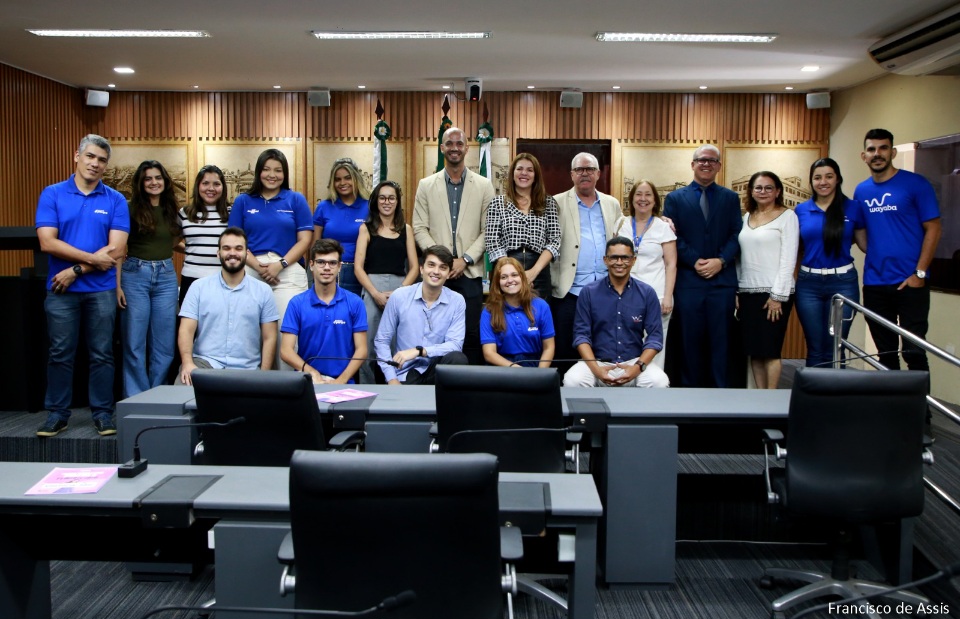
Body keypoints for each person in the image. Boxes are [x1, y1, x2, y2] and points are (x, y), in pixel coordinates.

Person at [34, 134, 129, 437]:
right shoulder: (52, 194)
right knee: (60, 353)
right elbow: (47, 242)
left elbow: (117, 249)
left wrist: (76, 269)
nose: (95, 163)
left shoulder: (115, 200)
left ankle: (102, 414)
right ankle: (57, 414)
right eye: (90, 156)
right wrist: (91, 259)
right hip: (61, 291)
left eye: (101, 160)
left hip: (101, 290)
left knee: (102, 353)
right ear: (77, 156)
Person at [853, 128, 942, 372]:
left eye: (883, 148)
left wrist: (919, 273)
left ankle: (919, 400)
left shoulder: (916, 184)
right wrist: (876, 252)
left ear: (892, 152)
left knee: (914, 352)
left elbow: (934, 228)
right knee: (886, 354)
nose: (877, 154)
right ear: (864, 156)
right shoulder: (861, 191)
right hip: (875, 284)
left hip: (910, 282)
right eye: (871, 149)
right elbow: (861, 231)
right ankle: (890, 399)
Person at [413, 127, 495, 365]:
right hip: (436, 274)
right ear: (442, 148)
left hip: (469, 273)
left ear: (467, 148)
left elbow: (489, 229)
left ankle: (469, 383)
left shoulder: (484, 186)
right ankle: (431, 380)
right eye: (449, 143)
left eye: (459, 143)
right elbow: (419, 228)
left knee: (471, 335)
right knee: (432, 333)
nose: (454, 148)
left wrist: (466, 259)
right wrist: (444, 263)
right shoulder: (426, 185)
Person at [663, 144, 742, 388]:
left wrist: (721, 261)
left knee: (721, 342)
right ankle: (690, 393)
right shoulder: (675, 198)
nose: (706, 164)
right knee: (689, 342)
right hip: (689, 282)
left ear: (719, 166)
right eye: (701, 160)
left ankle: (721, 394)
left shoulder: (730, 198)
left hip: (722, 283)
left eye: (712, 160)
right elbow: (672, 236)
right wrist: (694, 260)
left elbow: (736, 234)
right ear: (693, 164)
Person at [227, 148, 312, 369]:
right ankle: (253, 384)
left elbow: (305, 240)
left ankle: (287, 384)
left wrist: (280, 265)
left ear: (285, 173)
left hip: (287, 270)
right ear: (258, 172)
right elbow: (234, 241)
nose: (272, 175)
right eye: (266, 169)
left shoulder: (295, 199)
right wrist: (259, 266)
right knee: (248, 333)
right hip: (251, 268)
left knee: (287, 335)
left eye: (278, 170)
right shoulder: (243, 201)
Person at [563, 237, 670, 388]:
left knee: (658, 381)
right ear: (605, 260)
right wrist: (597, 370)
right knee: (573, 380)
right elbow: (581, 336)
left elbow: (655, 338)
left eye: (625, 258)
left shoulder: (647, 293)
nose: (619, 262)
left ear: (633, 260)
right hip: (597, 362)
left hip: (634, 361)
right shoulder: (589, 292)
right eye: (614, 257)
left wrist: (637, 367)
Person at [177, 227, 279, 385]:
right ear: (218, 253)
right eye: (226, 248)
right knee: (179, 391)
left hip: (247, 370)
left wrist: (263, 375)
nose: (232, 253)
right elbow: (186, 330)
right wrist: (187, 363)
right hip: (204, 365)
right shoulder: (198, 287)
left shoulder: (263, 291)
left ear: (247, 254)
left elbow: (269, 337)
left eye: (238, 248)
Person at [551, 152, 622, 373]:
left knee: (604, 347)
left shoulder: (612, 204)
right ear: (572, 174)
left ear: (598, 174)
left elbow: (625, 234)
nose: (585, 173)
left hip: (606, 290)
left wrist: (660, 219)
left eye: (590, 169)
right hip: (569, 291)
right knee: (566, 350)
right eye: (579, 169)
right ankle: (566, 390)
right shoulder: (556, 202)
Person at [117, 160, 181, 398]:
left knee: (164, 343)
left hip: (166, 276)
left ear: (165, 181)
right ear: (140, 183)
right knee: (134, 342)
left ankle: (157, 395)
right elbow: (118, 250)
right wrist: (117, 286)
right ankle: (137, 398)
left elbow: (171, 241)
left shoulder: (172, 210)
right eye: (148, 179)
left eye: (158, 178)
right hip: (135, 275)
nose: (154, 182)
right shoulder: (129, 209)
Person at [794, 158, 866, 368]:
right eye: (817, 177)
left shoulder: (853, 208)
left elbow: (866, 245)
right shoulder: (801, 210)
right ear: (811, 181)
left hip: (843, 283)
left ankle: (836, 389)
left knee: (836, 346)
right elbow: (796, 249)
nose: (823, 182)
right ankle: (815, 390)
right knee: (815, 347)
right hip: (809, 284)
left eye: (829, 176)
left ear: (838, 179)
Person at [736, 171, 799, 389]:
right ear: (751, 191)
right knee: (754, 352)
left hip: (774, 294)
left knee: (770, 351)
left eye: (768, 188)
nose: (763, 192)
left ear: (777, 191)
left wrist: (777, 296)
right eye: (758, 187)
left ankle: (771, 399)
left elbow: (788, 259)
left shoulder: (787, 217)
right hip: (748, 293)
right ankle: (760, 398)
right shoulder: (746, 217)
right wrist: (738, 290)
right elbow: (740, 258)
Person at [375, 245, 468, 385]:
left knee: (458, 359)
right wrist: (391, 379)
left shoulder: (457, 301)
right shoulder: (400, 296)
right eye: (431, 265)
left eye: (443, 267)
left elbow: (455, 344)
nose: (436, 271)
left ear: (449, 273)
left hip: (437, 371)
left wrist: (421, 351)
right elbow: (382, 340)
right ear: (421, 269)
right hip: (405, 372)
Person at [354, 180, 418, 383]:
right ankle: (367, 388)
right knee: (368, 343)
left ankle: (396, 387)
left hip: (401, 289)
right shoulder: (366, 229)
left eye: (391, 198)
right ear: (376, 201)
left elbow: (415, 268)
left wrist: (399, 292)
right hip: (372, 288)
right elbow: (358, 267)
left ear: (397, 202)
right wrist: (375, 294)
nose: (387, 202)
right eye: (382, 198)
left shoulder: (406, 229)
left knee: (396, 344)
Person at [280, 239, 368, 384]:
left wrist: (341, 381)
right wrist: (312, 373)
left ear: (339, 267)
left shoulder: (355, 302)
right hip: (308, 381)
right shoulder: (297, 303)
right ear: (311, 265)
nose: (327, 267)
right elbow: (285, 351)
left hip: (343, 384)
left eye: (332, 263)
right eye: (321, 262)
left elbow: (362, 349)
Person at [613, 179, 677, 369]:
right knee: (627, 342)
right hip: (626, 295)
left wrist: (668, 297)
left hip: (656, 295)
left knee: (654, 344)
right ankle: (628, 381)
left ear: (655, 200)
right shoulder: (621, 224)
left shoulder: (663, 227)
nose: (643, 199)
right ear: (632, 199)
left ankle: (654, 383)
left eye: (648, 194)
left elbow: (671, 264)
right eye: (638, 194)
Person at [485, 153, 561, 300]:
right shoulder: (497, 203)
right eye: (519, 169)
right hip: (505, 272)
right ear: (512, 174)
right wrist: (512, 274)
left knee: (538, 313)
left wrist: (532, 273)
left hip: (538, 273)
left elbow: (554, 241)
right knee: (504, 314)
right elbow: (492, 242)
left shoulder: (548, 203)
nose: (524, 173)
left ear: (536, 176)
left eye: (529, 170)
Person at [480, 257, 556, 368]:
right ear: (497, 282)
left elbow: (549, 348)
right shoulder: (489, 311)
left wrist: (540, 373)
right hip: (502, 367)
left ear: (522, 277)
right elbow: (489, 354)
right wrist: (516, 370)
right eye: (504, 277)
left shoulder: (541, 306)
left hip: (535, 367)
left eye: (514, 275)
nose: (510, 280)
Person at [313, 157, 370, 296]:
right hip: (328, 271)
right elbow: (314, 245)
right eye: (337, 179)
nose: (342, 183)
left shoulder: (369, 207)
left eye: (347, 178)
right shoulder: (323, 207)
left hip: (359, 273)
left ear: (356, 179)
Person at [176, 164, 230, 307]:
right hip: (191, 279)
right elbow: (172, 242)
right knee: (189, 320)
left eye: (216, 184)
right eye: (205, 183)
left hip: (224, 279)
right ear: (198, 186)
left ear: (223, 187)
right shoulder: (185, 213)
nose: (211, 188)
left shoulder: (232, 213)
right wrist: (191, 249)